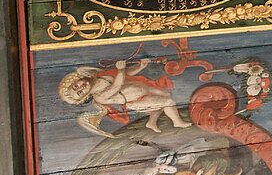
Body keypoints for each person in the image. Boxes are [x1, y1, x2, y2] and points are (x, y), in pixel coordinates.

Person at [59, 58, 191, 135]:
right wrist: (121, 70)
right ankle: (177, 122)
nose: (81, 88)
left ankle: (151, 123)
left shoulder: (99, 76)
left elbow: (127, 74)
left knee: (165, 95)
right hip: (136, 101)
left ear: (75, 80)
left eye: (76, 86)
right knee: (167, 101)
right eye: (80, 93)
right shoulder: (99, 96)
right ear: (85, 97)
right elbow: (116, 86)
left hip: (143, 89)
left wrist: (140, 66)